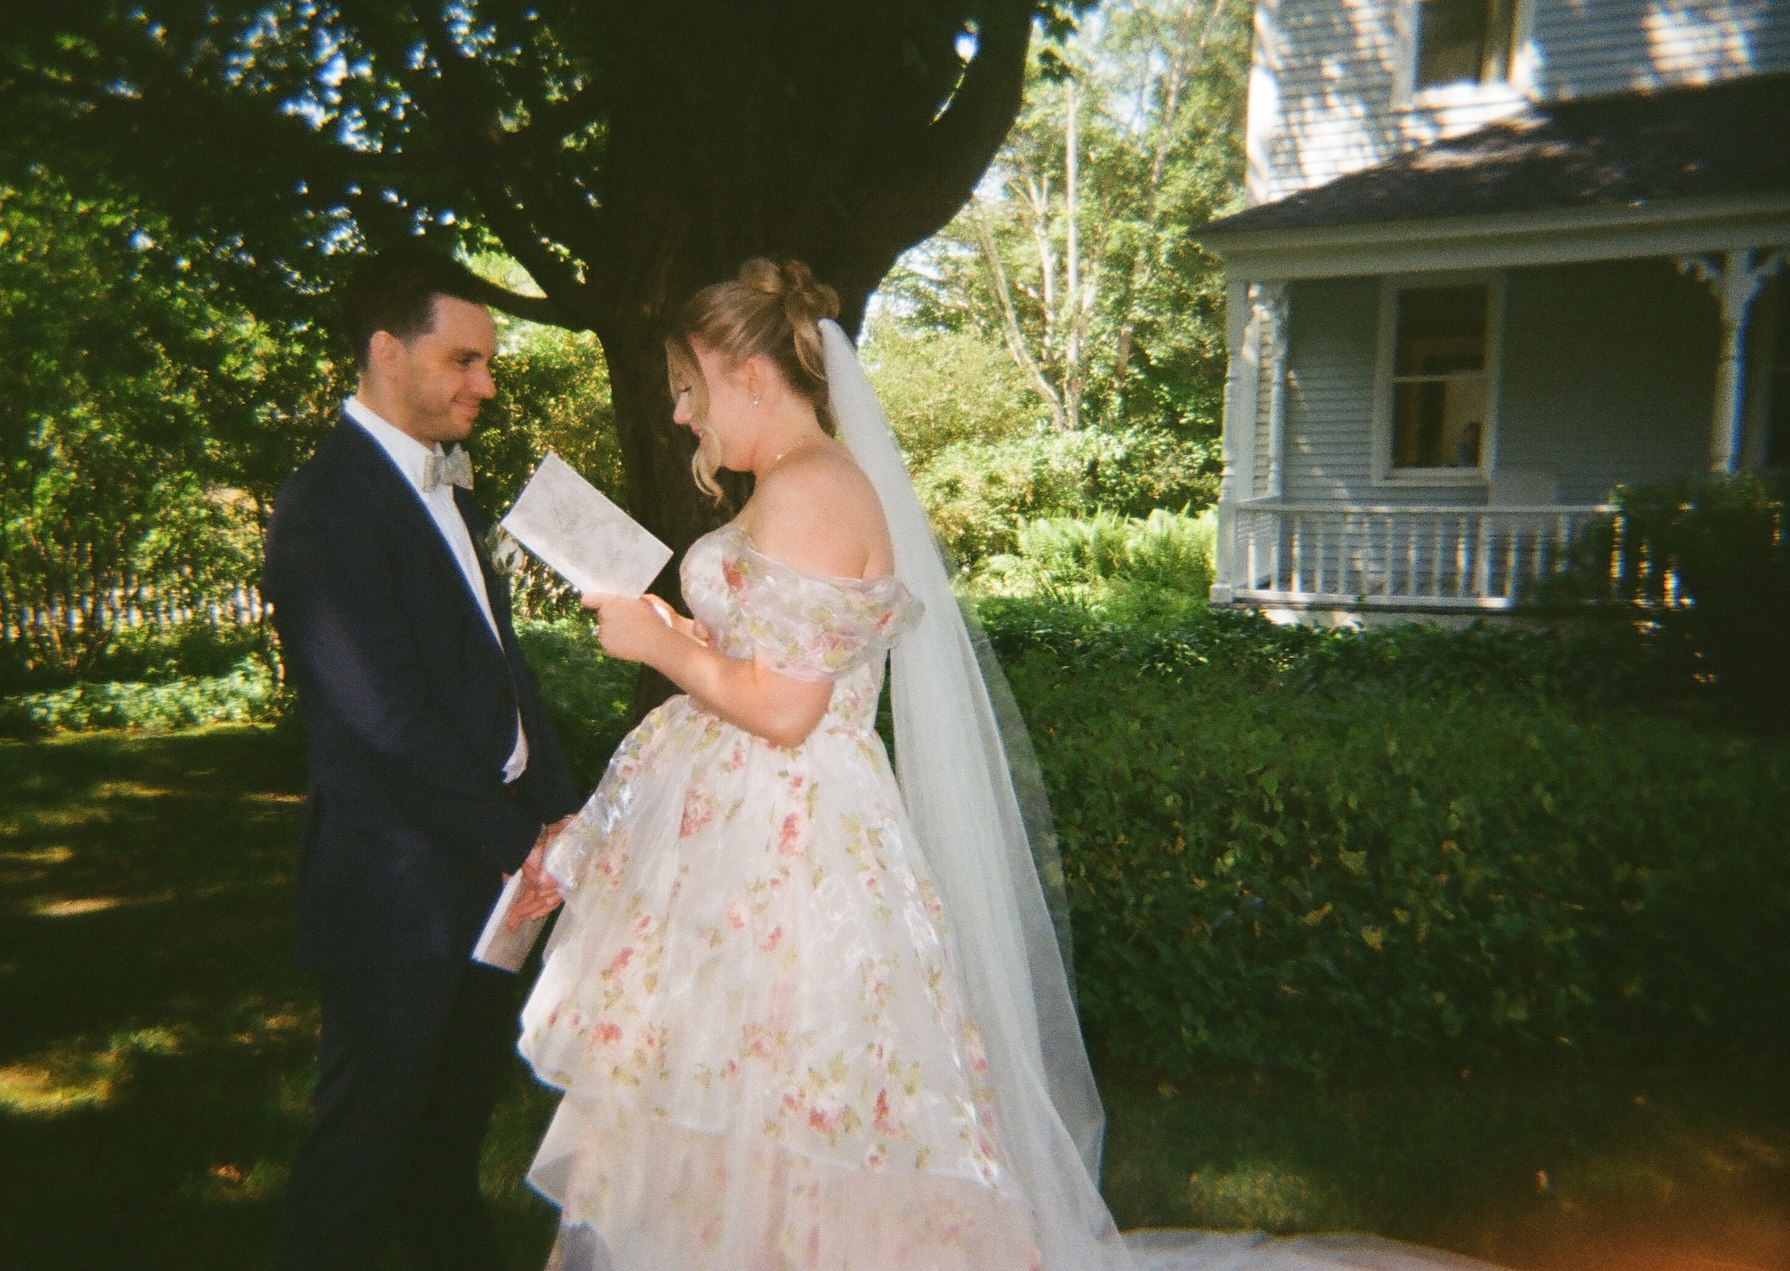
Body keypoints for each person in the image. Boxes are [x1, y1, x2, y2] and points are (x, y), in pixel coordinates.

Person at [515, 259, 1503, 1271]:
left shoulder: (811, 487)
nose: (681, 413)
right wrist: (693, 636)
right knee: (733, 1096)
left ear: (746, 373)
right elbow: (779, 661)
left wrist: (660, 647)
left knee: (789, 1094)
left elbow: (788, 708)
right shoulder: (794, 484)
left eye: (688, 386)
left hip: (789, 852)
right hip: (750, 839)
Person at [263, 245, 579, 1271]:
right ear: (387, 352)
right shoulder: (327, 505)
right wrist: (518, 840)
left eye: (487, 362)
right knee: (356, 1171)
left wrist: (558, 810)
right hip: (398, 892)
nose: (485, 384)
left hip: (490, 882)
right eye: (463, 361)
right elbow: (387, 719)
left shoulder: (449, 487)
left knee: (442, 1155)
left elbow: (497, 666)